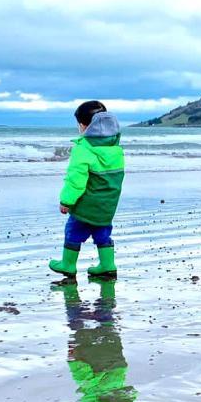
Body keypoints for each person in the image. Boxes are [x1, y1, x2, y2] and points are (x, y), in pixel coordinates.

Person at [49, 100, 125, 279]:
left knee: (73, 231)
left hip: (85, 205)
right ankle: (107, 264)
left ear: (84, 126)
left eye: (79, 124)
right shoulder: (115, 149)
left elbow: (76, 180)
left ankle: (68, 264)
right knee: (102, 232)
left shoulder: (83, 149)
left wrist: (66, 201)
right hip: (107, 205)